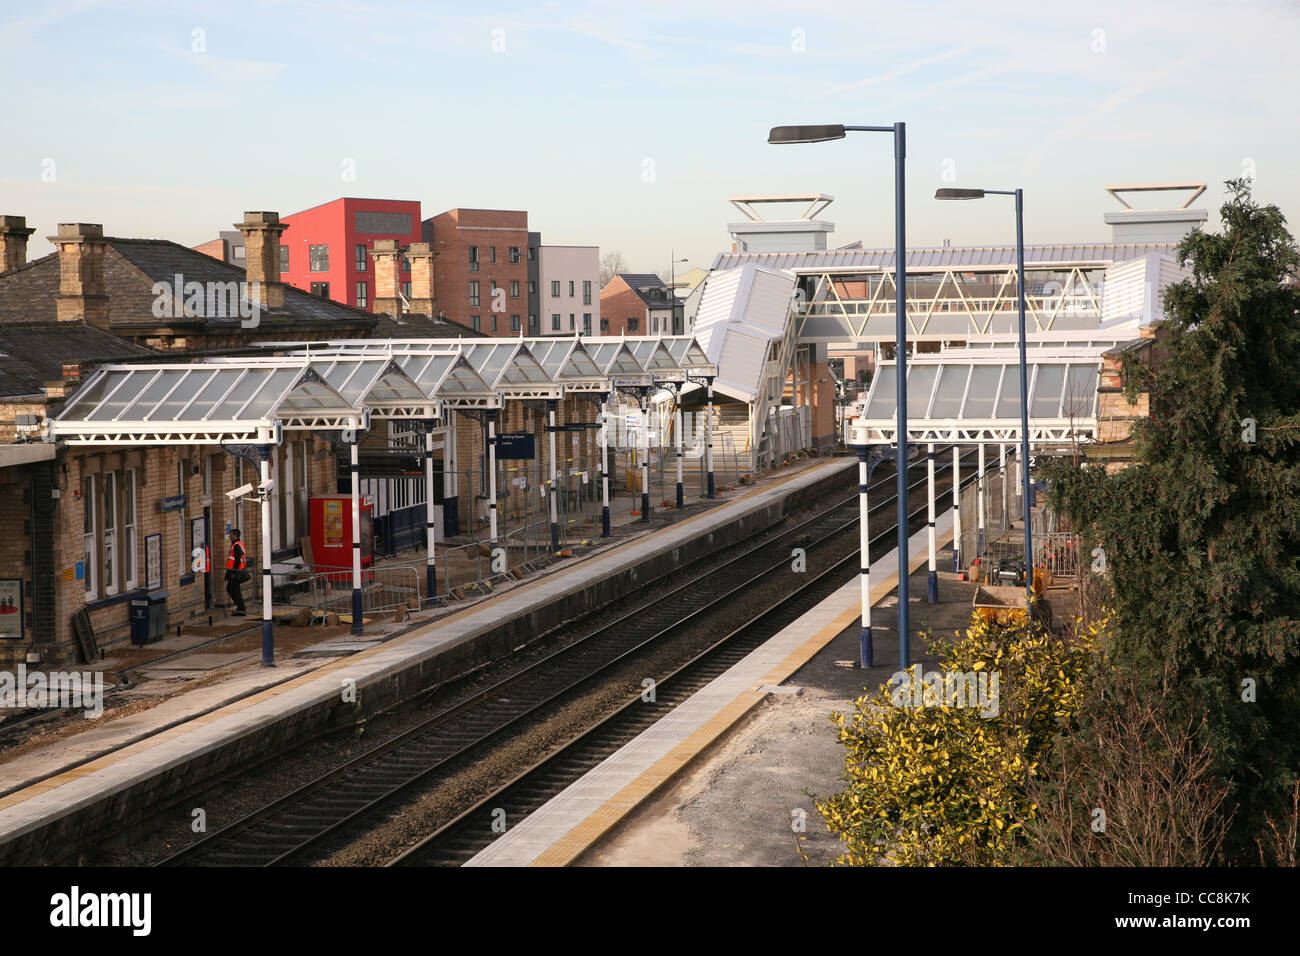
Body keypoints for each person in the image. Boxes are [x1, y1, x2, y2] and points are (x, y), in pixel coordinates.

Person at [225, 529, 247, 616]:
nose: (230, 537)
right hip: (234, 571)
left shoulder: (237, 545)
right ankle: (240, 607)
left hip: (236, 571)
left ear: (235, 536)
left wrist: (234, 572)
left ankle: (241, 609)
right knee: (232, 589)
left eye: (231, 535)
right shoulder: (236, 544)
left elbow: (237, 560)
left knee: (234, 590)